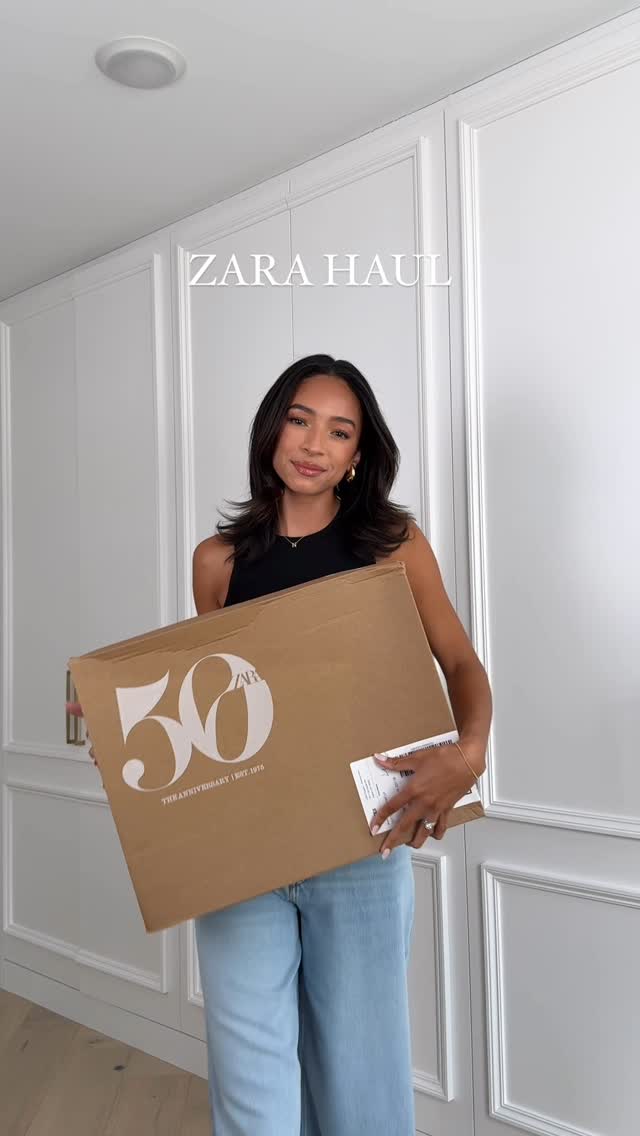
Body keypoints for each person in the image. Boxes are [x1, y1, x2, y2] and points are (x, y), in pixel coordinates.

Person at [68, 353, 493, 1136]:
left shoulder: (394, 545)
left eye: (340, 431)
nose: (314, 444)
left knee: (363, 1088)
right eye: (300, 420)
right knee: (251, 1084)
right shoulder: (217, 563)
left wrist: (468, 755)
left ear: (358, 454)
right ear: (272, 429)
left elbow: (461, 663)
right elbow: (218, 709)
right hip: (243, 857)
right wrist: (126, 741)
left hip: (364, 846)